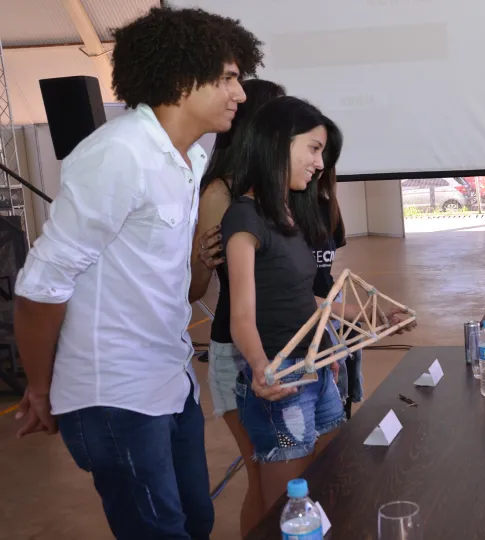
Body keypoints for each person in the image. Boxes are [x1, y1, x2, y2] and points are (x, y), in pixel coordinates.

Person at [12, 6, 262, 539]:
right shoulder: (119, 155)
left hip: (170, 381)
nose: (239, 93)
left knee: (196, 519)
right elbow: (40, 287)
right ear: (179, 77)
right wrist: (40, 388)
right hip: (115, 395)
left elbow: (170, 279)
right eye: (227, 78)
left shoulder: (190, 156)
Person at [219, 96, 412, 511]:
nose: (319, 163)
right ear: (277, 143)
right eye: (313, 147)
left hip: (319, 369)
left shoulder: (288, 215)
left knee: (329, 484)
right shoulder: (244, 218)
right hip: (283, 380)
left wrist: (375, 315)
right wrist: (259, 367)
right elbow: (241, 314)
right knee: (287, 510)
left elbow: (305, 298)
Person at [189, 78, 286, 536]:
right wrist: (201, 261)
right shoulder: (219, 193)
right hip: (238, 354)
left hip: (280, 347)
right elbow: (195, 287)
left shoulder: (272, 188)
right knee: (265, 480)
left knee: (286, 481)